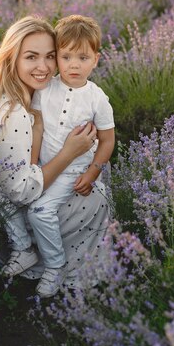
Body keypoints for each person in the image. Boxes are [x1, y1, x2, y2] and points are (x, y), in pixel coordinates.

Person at [0, 15, 110, 297]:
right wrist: (68, 153)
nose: (44, 68)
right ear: (12, 58)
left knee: (93, 176)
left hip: (8, 198)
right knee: (93, 197)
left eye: (50, 56)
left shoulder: (29, 94)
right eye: (31, 57)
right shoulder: (14, 111)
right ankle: (55, 266)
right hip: (15, 206)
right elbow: (21, 192)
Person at [27, 15, 115, 297]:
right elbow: (37, 128)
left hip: (73, 171)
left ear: (96, 59)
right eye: (65, 57)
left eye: (82, 57)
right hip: (45, 166)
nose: (74, 65)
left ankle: (55, 266)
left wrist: (93, 172)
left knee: (39, 211)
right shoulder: (46, 89)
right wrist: (32, 164)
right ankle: (25, 254)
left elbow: (107, 140)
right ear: (56, 58)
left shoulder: (97, 98)